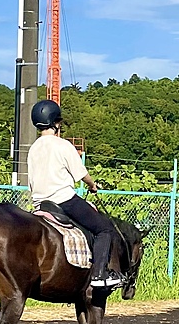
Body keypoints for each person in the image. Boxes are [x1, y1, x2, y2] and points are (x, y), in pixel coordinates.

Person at [25, 99, 123, 288]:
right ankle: (99, 275)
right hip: (64, 200)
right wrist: (92, 185)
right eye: (58, 122)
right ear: (55, 122)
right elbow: (81, 174)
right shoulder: (63, 145)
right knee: (105, 229)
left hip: (40, 203)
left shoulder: (34, 148)